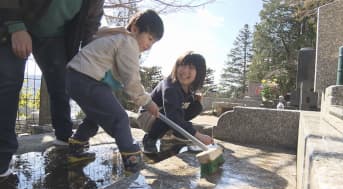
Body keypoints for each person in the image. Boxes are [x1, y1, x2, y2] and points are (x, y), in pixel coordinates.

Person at [0, 0, 104, 179]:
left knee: (61, 84)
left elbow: (91, 24)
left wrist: (91, 59)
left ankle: (64, 138)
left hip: (54, 36)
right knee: (8, 80)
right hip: (17, 20)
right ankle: (2, 156)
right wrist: (16, 26)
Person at [65, 9, 163, 174]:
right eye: (149, 38)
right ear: (135, 29)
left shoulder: (117, 39)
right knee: (120, 118)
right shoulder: (128, 43)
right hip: (87, 78)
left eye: (153, 43)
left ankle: (77, 147)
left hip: (75, 77)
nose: (149, 46)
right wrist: (147, 102)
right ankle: (132, 161)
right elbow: (131, 79)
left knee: (96, 116)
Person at [138, 51, 213, 153]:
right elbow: (173, 116)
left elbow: (181, 108)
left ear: (199, 72)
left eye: (191, 67)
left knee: (196, 106)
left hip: (164, 115)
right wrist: (199, 136)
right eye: (182, 65)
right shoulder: (170, 87)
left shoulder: (188, 88)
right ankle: (150, 138)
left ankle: (177, 132)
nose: (185, 71)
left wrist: (195, 100)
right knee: (171, 115)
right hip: (147, 116)